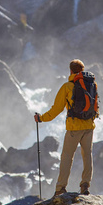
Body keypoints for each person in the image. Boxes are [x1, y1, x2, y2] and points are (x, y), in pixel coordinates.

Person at [34, 59, 97, 196]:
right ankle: (85, 185)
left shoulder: (67, 86)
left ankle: (60, 188)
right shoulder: (92, 84)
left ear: (70, 71)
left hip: (74, 128)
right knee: (87, 155)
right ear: (82, 70)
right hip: (89, 126)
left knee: (67, 156)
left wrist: (41, 118)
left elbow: (56, 109)